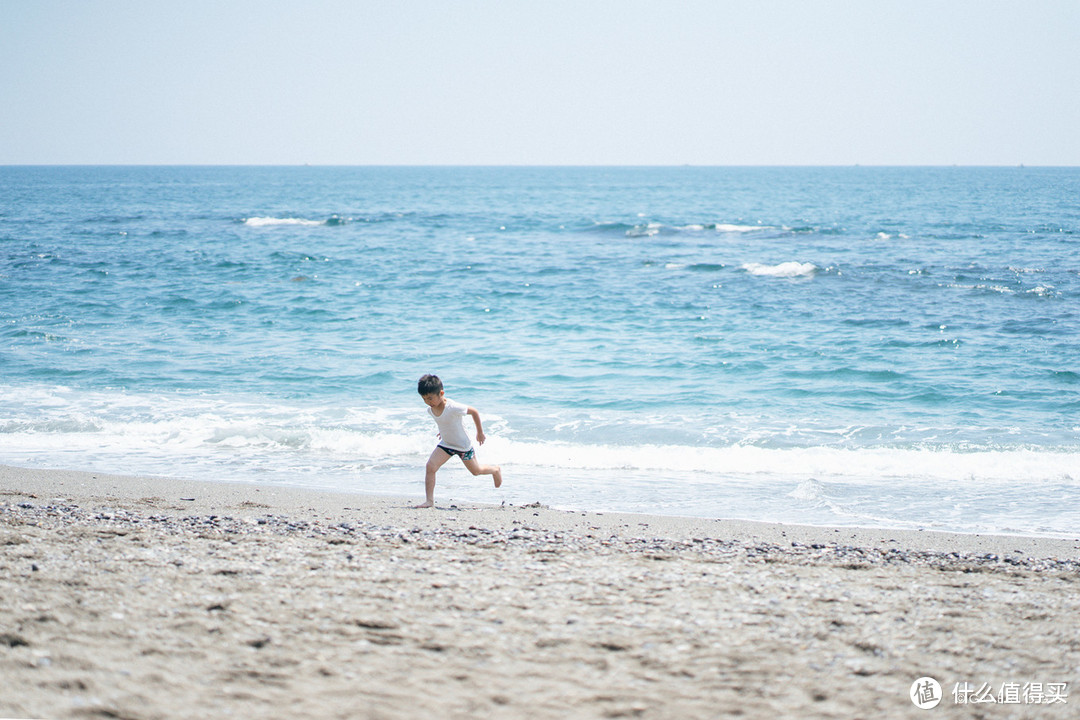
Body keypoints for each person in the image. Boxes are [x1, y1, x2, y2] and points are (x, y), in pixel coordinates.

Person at [414, 374, 502, 508]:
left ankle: (495, 470)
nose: (428, 401)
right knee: (430, 467)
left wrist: (480, 432)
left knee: (476, 471)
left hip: (463, 446)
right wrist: (443, 431)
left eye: (430, 398)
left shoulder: (453, 407)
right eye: (424, 399)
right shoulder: (430, 410)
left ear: (441, 393)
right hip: (446, 444)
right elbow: (445, 421)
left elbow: (474, 411)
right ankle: (429, 501)